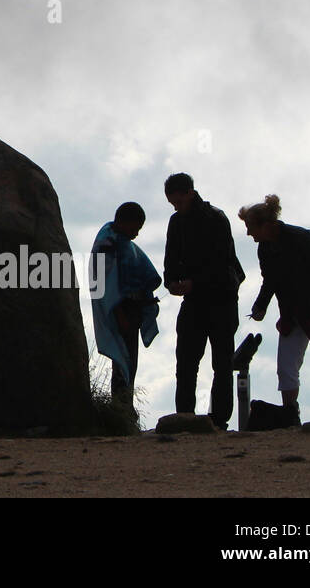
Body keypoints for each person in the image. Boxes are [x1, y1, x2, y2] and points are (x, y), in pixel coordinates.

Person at [239, 194, 310, 425]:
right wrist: (260, 306)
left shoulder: (302, 239)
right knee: (286, 365)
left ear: (265, 225)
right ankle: (290, 416)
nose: (249, 233)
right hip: (293, 311)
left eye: (250, 227)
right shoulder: (265, 249)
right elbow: (270, 280)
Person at [163, 173, 245, 429]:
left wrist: (193, 283)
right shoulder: (176, 222)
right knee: (186, 361)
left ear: (189, 193)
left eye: (177, 200)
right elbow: (170, 259)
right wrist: (172, 282)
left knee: (221, 362)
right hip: (194, 301)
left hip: (221, 299)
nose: (175, 206)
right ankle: (185, 417)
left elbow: (223, 263)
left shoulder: (216, 219)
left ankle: (219, 419)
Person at [90, 202, 161, 418]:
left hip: (132, 309)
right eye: (136, 228)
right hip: (120, 310)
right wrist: (119, 314)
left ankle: (124, 408)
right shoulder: (108, 243)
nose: (137, 234)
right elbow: (108, 285)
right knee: (123, 362)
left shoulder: (123, 243)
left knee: (130, 362)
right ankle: (121, 411)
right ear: (124, 222)